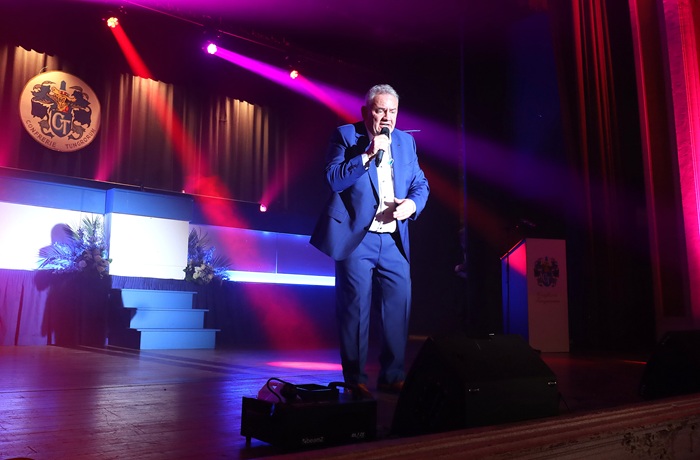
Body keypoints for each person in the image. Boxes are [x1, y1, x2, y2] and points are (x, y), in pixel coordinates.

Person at [310, 84, 430, 398]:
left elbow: (420, 183)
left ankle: (392, 375)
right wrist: (366, 155)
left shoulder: (406, 142)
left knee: (398, 307)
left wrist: (412, 205)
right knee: (355, 310)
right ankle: (355, 379)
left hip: (393, 239)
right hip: (357, 237)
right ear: (367, 112)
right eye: (380, 110)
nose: (387, 117)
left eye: (393, 111)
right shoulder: (346, 136)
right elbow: (334, 179)